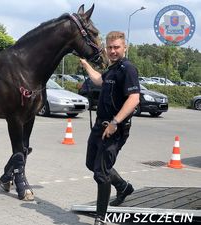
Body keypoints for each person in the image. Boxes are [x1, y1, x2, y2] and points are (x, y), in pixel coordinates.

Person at [80, 31, 140, 225]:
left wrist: (115, 122)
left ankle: (101, 217)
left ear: (125, 48)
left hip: (115, 128)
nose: (113, 51)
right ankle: (123, 187)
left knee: (101, 173)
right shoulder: (112, 68)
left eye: (117, 47)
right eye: (110, 47)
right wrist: (86, 64)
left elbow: (134, 98)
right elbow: (99, 80)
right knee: (91, 164)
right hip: (100, 126)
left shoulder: (128, 69)